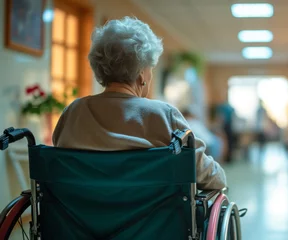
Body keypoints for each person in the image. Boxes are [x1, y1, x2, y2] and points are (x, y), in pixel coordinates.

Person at [52, 17, 226, 190]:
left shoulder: (73, 112)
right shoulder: (164, 115)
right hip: (152, 216)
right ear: (142, 74)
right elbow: (210, 176)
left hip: (81, 214)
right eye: (150, 69)